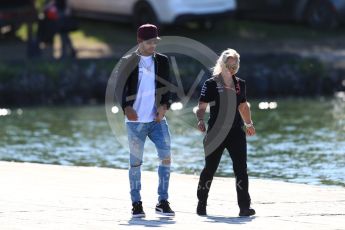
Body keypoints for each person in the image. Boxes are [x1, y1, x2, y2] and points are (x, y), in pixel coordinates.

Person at [115, 24, 175, 218]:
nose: (153, 45)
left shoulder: (163, 61)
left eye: (155, 42)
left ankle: (162, 201)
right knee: (135, 164)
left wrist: (164, 107)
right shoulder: (127, 62)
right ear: (140, 42)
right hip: (135, 123)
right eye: (149, 42)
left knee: (166, 158)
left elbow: (168, 90)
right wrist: (126, 108)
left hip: (157, 122)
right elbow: (118, 89)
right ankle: (136, 203)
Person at [195, 48, 256, 217]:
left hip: (236, 132)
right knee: (210, 169)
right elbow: (201, 107)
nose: (231, 69)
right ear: (221, 65)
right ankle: (202, 203)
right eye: (228, 65)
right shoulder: (211, 83)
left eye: (234, 66)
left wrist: (249, 124)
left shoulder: (240, 84)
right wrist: (200, 120)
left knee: (241, 169)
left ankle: (244, 207)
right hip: (215, 132)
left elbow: (243, 106)